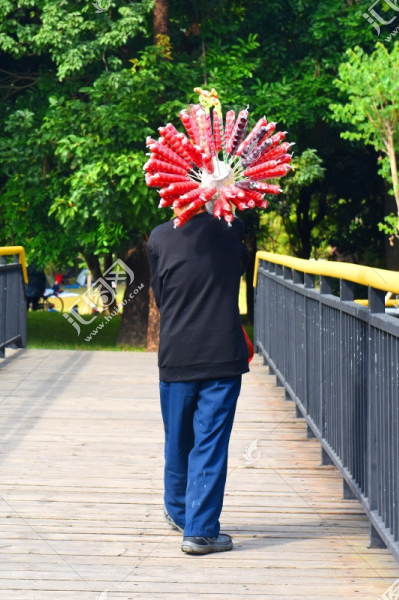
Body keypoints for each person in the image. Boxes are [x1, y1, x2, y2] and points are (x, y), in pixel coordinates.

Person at [146, 201, 250, 555]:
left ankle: (179, 513)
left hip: (177, 354)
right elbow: (237, 269)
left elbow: (161, 297)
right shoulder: (233, 229)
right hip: (222, 355)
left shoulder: (158, 237)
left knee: (178, 438)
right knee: (210, 442)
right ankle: (201, 530)